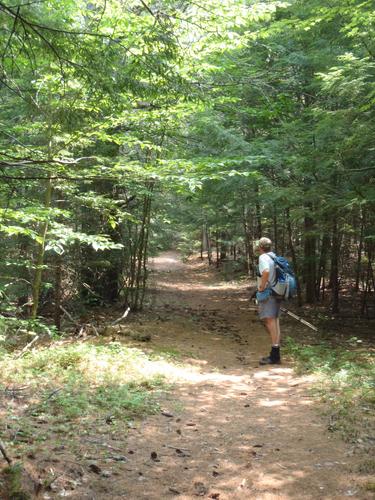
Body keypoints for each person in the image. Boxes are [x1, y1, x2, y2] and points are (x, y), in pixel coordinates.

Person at [255, 237, 281, 365]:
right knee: (275, 320)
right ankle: (275, 353)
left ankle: (275, 356)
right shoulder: (274, 256)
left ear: (260, 247)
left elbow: (265, 271)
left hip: (269, 292)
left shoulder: (263, 257)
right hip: (277, 291)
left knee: (270, 321)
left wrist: (262, 286)